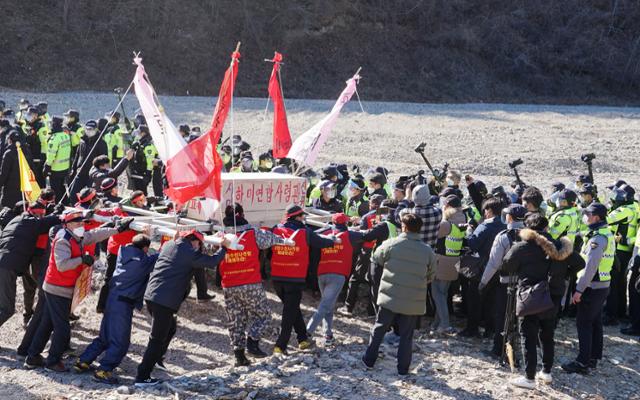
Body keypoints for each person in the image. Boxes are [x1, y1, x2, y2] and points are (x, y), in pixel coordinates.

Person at [24, 211, 126, 371]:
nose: (81, 226)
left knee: (47, 324)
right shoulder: (63, 239)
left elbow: (93, 235)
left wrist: (116, 229)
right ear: (68, 224)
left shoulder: (73, 235)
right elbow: (62, 265)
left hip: (59, 287)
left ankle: (32, 357)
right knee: (62, 329)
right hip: (57, 288)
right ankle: (52, 362)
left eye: (82, 223)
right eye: (78, 223)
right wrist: (82, 260)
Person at [135, 230, 229, 387]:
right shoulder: (188, 252)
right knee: (156, 339)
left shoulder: (169, 244)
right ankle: (142, 376)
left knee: (170, 328)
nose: (199, 248)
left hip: (152, 296)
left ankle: (157, 358)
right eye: (199, 244)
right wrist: (224, 247)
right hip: (164, 301)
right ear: (194, 242)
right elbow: (212, 262)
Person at [501, 213, 574, 389]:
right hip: (552, 296)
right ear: (547, 228)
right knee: (547, 335)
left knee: (528, 335)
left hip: (529, 296)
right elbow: (580, 263)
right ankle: (547, 373)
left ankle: (529, 378)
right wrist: (561, 274)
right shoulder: (558, 246)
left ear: (528, 229)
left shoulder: (522, 246)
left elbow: (506, 266)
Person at [74, 234, 157, 384]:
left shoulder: (123, 253)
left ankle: (83, 361)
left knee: (104, 337)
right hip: (123, 305)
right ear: (145, 248)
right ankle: (103, 370)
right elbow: (158, 257)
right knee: (120, 342)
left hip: (112, 300)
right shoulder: (141, 262)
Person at [362, 213, 436, 375]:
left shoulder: (392, 244)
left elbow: (376, 258)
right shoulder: (427, 251)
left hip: (389, 297)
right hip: (412, 301)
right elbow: (431, 275)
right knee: (406, 336)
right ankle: (403, 369)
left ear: (404, 227)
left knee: (379, 329)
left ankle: (369, 360)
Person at [218, 204, 288, 366]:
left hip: (229, 285)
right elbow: (272, 239)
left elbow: (208, 251)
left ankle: (239, 355)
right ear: (242, 214)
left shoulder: (219, 236)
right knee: (263, 316)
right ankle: (253, 342)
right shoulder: (253, 233)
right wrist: (284, 240)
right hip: (251, 283)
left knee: (236, 320)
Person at [270, 204, 337, 355]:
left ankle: (303, 339)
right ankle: (281, 345)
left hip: (277, 278)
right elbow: (321, 242)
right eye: (302, 216)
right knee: (289, 312)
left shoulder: (276, 229)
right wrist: (333, 240)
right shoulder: (304, 232)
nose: (304, 219)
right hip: (294, 279)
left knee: (292, 308)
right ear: (297, 217)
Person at [562, 203, 615, 374]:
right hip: (603, 285)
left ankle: (582, 362)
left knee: (583, 323)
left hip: (592, 286)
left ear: (596, 217)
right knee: (595, 322)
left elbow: (590, 268)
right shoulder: (605, 233)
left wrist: (579, 290)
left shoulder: (597, 239)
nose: (585, 217)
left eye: (588, 215)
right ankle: (593, 357)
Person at [0, 202, 62, 330]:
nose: (41, 217)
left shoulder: (16, 220)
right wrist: (59, 212)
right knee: (7, 310)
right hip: (7, 267)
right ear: (34, 213)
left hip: (5, 263)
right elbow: (49, 221)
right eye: (40, 215)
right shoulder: (31, 222)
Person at [478, 203, 527, 358]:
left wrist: (483, 282)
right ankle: (517, 350)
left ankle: (499, 349)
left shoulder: (503, 236)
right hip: (525, 283)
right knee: (519, 318)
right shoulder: (532, 234)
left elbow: (494, 263)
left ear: (509, 217)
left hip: (506, 283)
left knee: (502, 316)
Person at [307, 213, 364, 344]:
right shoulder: (349, 235)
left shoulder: (326, 234)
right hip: (337, 275)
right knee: (325, 306)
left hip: (322, 273)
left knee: (328, 305)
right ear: (345, 223)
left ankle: (328, 335)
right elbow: (366, 235)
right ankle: (307, 332)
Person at [459, 196, 506, 337]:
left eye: (485, 210)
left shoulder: (485, 226)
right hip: (498, 268)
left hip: (481, 267)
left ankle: (472, 328)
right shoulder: (503, 226)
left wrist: (469, 231)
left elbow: (473, 244)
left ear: (489, 211)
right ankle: (489, 328)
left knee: (474, 298)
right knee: (491, 299)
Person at [432, 195, 467, 334]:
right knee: (443, 293)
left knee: (437, 294)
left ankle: (445, 324)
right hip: (454, 261)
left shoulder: (445, 224)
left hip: (441, 262)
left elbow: (435, 238)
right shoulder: (462, 220)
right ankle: (437, 324)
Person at [604, 185, 637, 326]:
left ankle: (611, 315)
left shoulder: (625, 210)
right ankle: (621, 312)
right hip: (629, 250)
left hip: (620, 250)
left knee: (614, 282)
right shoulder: (636, 206)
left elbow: (606, 219)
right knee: (621, 283)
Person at [69, 120, 108, 202]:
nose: (89, 131)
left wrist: (101, 174)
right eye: (87, 129)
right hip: (80, 172)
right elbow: (77, 155)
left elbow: (104, 160)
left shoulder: (101, 143)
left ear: (96, 130)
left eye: (91, 129)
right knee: (73, 195)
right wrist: (73, 168)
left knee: (91, 197)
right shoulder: (82, 141)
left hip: (92, 175)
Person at [402, 184, 442, 248]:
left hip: (410, 250)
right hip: (430, 251)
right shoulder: (438, 212)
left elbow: (396, 214)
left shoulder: (406, 212)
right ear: (429, 197)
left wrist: (406, 198)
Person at [0, 130, 32, 208]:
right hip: (25, 186)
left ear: (10, 140)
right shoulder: (27, 151)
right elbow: (32, 168)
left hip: (11, 188)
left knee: (10, 208)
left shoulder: (8, 153)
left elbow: (4, 173)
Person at [43, 117, 71, 202]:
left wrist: (47, 166)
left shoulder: (54, 138)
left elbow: (51, 155)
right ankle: (65, 202)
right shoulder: (66, 135)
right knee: (63, 188)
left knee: (55, 189)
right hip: (65, 167)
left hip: (56, 169)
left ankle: (58, 205)